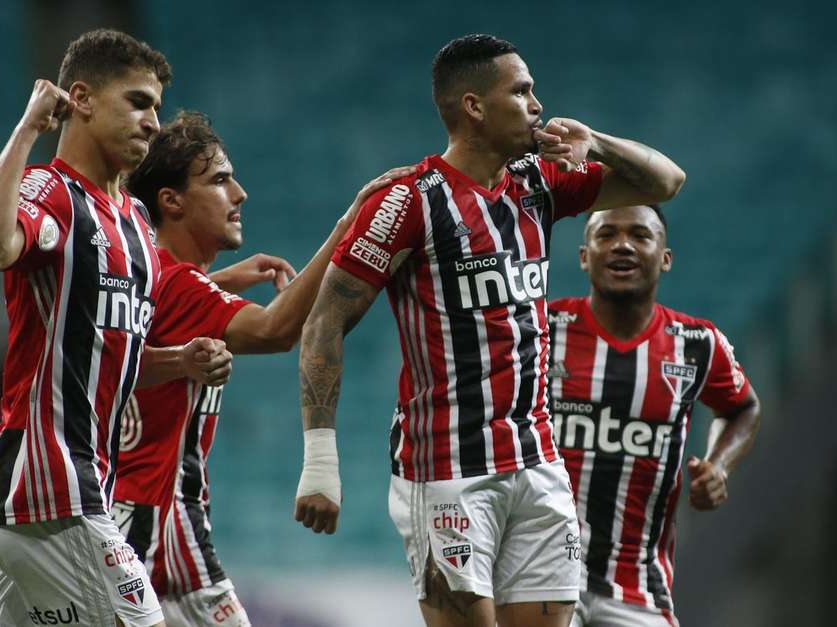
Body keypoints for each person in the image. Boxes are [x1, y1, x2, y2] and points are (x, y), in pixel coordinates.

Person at [294, 34, 686, 627]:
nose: (537, 103)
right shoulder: (408, 202)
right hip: (449, 469)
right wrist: (320, 458)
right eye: (522, 90)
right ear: (474, 107)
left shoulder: (538, 183)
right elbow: (325, 321)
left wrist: (596, 141)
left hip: (538, 463)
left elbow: (665, 183)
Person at [0, 30, 231, 627]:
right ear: (80, 99)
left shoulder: (132, 218)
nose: (153, 121)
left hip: (35, 501)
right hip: (50, 492)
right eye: (138, 102)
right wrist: (29, 128)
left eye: (156, 106)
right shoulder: (51, 194)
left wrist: (180, 361)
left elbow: (113, 348)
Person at [110, 111, 414, 627]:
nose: (241, 193)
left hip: (158, 512)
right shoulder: (180, 285)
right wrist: (347, 229)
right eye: (220, 180)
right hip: (147, 516)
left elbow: (166, 308)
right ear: (171, 201)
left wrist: (224, 280)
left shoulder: (151, 273)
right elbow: (277, 331)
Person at [547, 204, 761, 627]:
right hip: (542, 574)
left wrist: (719, 466)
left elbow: (742, 407)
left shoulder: (698, 345)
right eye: (606, 234)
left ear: (665, 257)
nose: (622, 245)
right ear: (584, 255)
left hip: (638, 586)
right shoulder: (543, 330)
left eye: (640, 235)